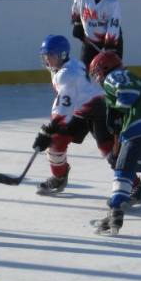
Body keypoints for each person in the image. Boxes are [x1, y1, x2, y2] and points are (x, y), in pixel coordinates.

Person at [89, 51, 141, 235]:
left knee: (123, 170)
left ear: (104, 68)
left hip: (139, 128)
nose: (97, 78)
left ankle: (115, 213)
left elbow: (127, 94)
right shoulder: (132, 75)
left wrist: (117, 111)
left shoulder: (114, 76)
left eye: (97, 73)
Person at [32, 34, 114, 195]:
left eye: (51, 56)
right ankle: (59, 177)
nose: (47, 60)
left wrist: (49, 128)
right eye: (45, 56)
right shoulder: (70, 64)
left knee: (109, 150)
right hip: (80, 110)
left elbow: (64, 106)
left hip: (98, 110)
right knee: (56, 141)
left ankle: (135, 187)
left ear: (62, 55)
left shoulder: (66, 74)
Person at [71, 0, 123, 69]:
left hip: (111, 42)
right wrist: (77, 24)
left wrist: (109, 46)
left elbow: (113, 26)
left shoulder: (112, 2)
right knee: (83, 70)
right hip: (89, 42)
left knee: (112, 71)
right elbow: (75, 8)